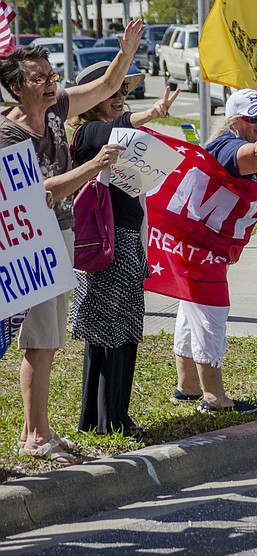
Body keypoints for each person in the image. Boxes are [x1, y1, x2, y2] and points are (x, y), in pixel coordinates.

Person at [0, 20, 143, 466]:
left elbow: (105, 87)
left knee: (48, 339)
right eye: (38, 78)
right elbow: (43, 191)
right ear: (14, 88)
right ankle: (34, 436)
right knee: (38, 339)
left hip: (58, 235)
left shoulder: (57, 110)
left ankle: (38, 431)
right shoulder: (8, 135)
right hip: (26, 244)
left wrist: (125, 53)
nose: (49, 84)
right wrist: (95, 164)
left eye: (52, 76)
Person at [173, 89, 257, 413]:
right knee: (210, 316)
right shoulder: (228, 146)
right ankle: (215, 398)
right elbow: (253, 155)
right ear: (235, 121)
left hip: (204, 244)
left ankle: (187, 387)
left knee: (191, 313)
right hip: (200, 247)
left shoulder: (254, 150)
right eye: (254, 117)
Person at [68, 63, 179, 435]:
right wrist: (152, 112)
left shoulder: (116, 132)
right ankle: (103, 419)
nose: (120, 98)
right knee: (106, 333)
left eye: (123, 92)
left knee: (126, 332)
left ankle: (112, 415)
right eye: (113, 92)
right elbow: (115, 130)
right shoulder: (88, 133)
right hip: (107, 244)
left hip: (128, 241)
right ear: (92, 98)